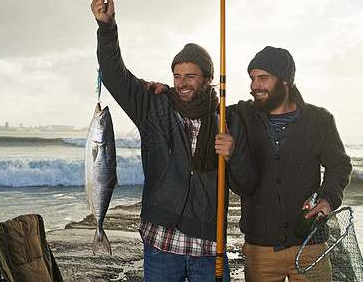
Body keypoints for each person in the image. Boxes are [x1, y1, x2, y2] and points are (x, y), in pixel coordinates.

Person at [146, 46, 352, 281]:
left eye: (263, 78)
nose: (255, 85)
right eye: (253, 78)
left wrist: (328, 198)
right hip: (261, 250)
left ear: (285, 80)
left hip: (311, 246)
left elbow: (340, 166)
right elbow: (200, 105)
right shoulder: (240, 115)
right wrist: (168, 92)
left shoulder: (319, 120)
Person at [91, 0, 257, 282]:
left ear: (207, 79)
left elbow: (247, 186)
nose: (182, 82)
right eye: (177, 75)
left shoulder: (228, 122)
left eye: (190, 76)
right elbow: (114, 75)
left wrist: (234, 156)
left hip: (209, 247)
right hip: (160, 244)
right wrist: (107, 27)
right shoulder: (155, 108)